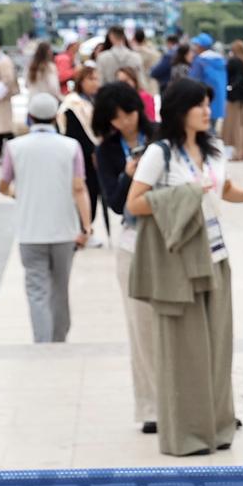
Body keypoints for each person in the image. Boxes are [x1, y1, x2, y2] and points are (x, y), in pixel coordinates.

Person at [128, 78, 243, 454]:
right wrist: (186, 194)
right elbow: (136, 203)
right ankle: (187, 434)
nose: (208, 111)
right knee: (184, 349)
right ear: (180, 110)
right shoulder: (159, 154)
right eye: (200, 105)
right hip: (179, 262)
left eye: (209, 104)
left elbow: (223, 189)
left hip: (216, 257)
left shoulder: (212, 151)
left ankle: (218, 425)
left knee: (217, 346)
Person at [92, 80, 160, 434]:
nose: (126, 123)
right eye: (117, 119)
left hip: (170, 238)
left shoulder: (163, 137)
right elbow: (115, 204)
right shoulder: (105, 152)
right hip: (134, 241)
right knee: (141, 327)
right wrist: (127, 175)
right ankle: (151, 406)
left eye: (130, 114)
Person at [0, 93, 93, 343]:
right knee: (60, 288)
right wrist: (86, 225)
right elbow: (79, 188)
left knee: (37, 290)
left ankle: (42, 341)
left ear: (29, 117)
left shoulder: (14, 147)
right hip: (64, 230)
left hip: (30, 231)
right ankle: (59, 338)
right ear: (55, 117)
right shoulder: (71, 147)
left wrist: (16, 192)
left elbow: (3, 184)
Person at [188, 33, 229, 121]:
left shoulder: (200, 61)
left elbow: (192, 80)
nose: (195, 47)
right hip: (218, 101)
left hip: (202, 101)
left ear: (201, 46)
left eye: (196, 45)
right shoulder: (221, 60)